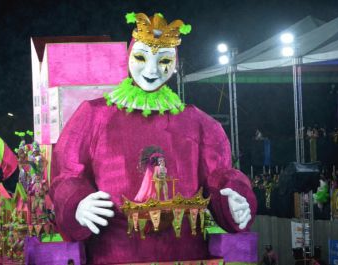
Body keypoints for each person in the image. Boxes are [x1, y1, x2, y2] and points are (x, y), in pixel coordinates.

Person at [50, 12, 257, 264]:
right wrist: (77, 203)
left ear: (176, 63)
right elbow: (67, 174)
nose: (152, 70)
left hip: (185, 255)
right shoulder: (94, 116)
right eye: (141, 57)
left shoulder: (199, 122)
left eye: (164, 60)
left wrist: (233, 200)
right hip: (116, 254)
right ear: (128, 55)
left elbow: (220, 175)